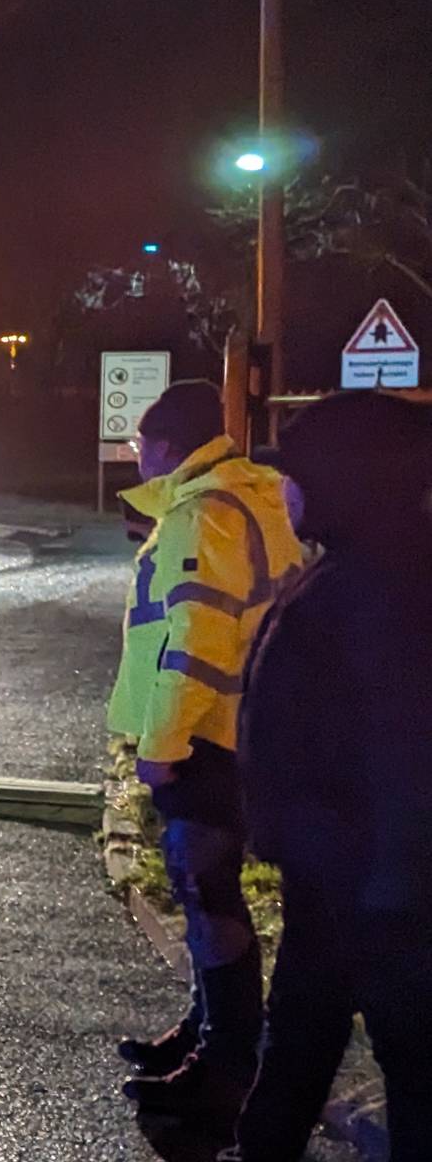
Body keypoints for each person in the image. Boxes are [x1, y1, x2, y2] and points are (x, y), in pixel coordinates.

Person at [225, 390, 432, 1162]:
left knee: (408, 1059)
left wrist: (393, 885)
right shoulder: (359, 573)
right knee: (301, 1039)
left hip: (378, 887)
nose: (283, 492)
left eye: (297, 474)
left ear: (344, 483)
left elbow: (402, 748)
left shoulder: (381, 593)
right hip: (340, 875)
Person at [108, 381, 307, 1128]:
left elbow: (195, 642)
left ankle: (223, 1069)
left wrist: (163, 745)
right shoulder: (253, 492)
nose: (138, 458)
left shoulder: (205, 513)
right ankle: (207, 1034)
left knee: (206, 894)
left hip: (208, 741)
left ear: (166, 448)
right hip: (245, 731)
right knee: (209, 894)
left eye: (141, 447)